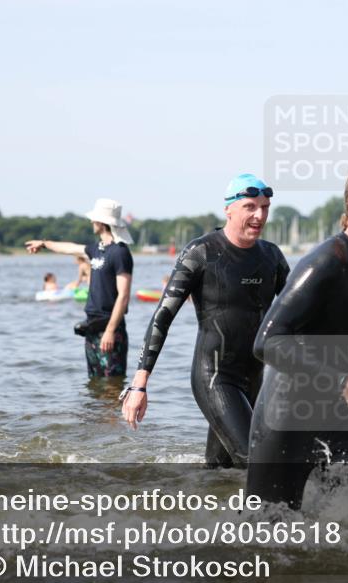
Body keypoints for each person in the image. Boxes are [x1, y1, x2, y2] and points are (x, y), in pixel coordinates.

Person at [246, 161, 348, 511]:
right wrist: (345, 385)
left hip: (330, 417)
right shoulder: (327, 263)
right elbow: (267, 341)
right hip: (284, 418)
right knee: (264, 542)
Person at [120, 174, 289, 468]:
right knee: (258, 460)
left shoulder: (271, 256)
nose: (259, 215)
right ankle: (278, 516)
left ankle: (203, 509)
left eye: (265, 207)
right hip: (215, 377)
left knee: (220, 470)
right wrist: (139, 384)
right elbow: (163, 315)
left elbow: (296, 313)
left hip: (255, 378)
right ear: (229, 209)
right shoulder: (202, 252)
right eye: (250, 206)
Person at [26, 198, 134, 378]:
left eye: (94, 218)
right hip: (92, 327)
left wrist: (110, 331)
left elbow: (123, 296)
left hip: (110, 329)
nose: (91, 221)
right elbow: (70, 248)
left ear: (102, 222)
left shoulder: (120, 252)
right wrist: (44, 243)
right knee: (94, 385)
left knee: (112, 386)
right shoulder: (96, 249)